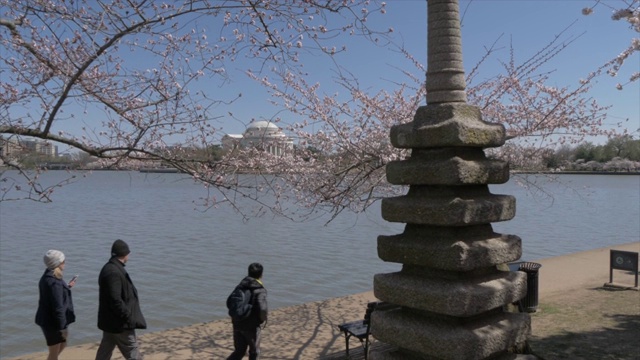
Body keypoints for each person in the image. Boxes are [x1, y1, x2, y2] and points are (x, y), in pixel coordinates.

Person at [96, 239, 147, 360]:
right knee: (132, 352)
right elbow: (115, 300)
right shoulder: (113, 272)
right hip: (120, 324)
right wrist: (128, 317)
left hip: (110, 322)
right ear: (125, 254)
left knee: (104, 352)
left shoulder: (110, 268)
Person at [35, 249, 76, 360]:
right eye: (63, 261)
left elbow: (54, 296)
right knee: (54, 354)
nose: (65, 263)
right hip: (52, 323)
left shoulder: (49, 277)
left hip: (48, 320)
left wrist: (67, 287)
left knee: (61, 346)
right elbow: (58, 307)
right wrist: (62, 328)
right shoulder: (54, 282)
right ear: (57, 263)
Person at [227, 262, 268, 360]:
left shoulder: (240, 286)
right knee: (254, 353)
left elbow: (229, 302)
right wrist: (262, 320)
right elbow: (262, 309)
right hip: (252, 326)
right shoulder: (260, 290)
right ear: (261, 275)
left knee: (239, 351)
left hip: (237, 323)